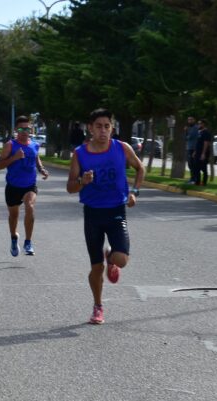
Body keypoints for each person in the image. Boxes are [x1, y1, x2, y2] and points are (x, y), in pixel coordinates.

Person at [67, 108, 144, 325]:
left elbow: (140, 169)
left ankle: (110, 257)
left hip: (116, 211)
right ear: (90, 128)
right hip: (92, 214)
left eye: (107, 126)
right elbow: (70, 187)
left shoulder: (122, 148)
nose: (103, 130)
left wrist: (134, 192)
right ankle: (98, 306)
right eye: (99, 126)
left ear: (112, 128)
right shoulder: (80, 153)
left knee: (122, 260)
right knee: (96, 268)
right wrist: (82, 181)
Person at [0, 116, 49, 257]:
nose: (25, 132)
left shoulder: (35, 145)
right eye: (21, 129)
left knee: (30, 206)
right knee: (14, 216)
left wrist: (42, 169)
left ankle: (28, 242)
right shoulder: (10, 145)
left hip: (30, 185)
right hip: (13, 186)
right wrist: (14, 157)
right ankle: (14, 237)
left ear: (31, 130)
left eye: (27, 129)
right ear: (16, 130)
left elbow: (36, 158)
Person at [194, 119, 212, 186]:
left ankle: (204, 182)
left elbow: (206, 143)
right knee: (197, 167)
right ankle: (197, 182)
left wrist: (203, 153)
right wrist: (195, 151)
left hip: (203, 153)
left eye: (199, 124)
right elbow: (197, 143)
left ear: (203, 124)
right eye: (198, 123)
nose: (198, 125)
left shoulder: (206, 133)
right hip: (198, 152)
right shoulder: (199, 132)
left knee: (204, 168)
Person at [185, 116, 199, 184]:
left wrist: (186, 131)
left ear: (194, 120)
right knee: (190, 164)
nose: (189, 121)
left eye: (191, 119)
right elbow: (186, 138)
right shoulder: (189, 128)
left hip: (193, 148)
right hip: (189, 148)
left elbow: (190, 137)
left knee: (193, 164)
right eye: (188, 120)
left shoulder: (195, 128)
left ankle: (194, 179)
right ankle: (192, 178)